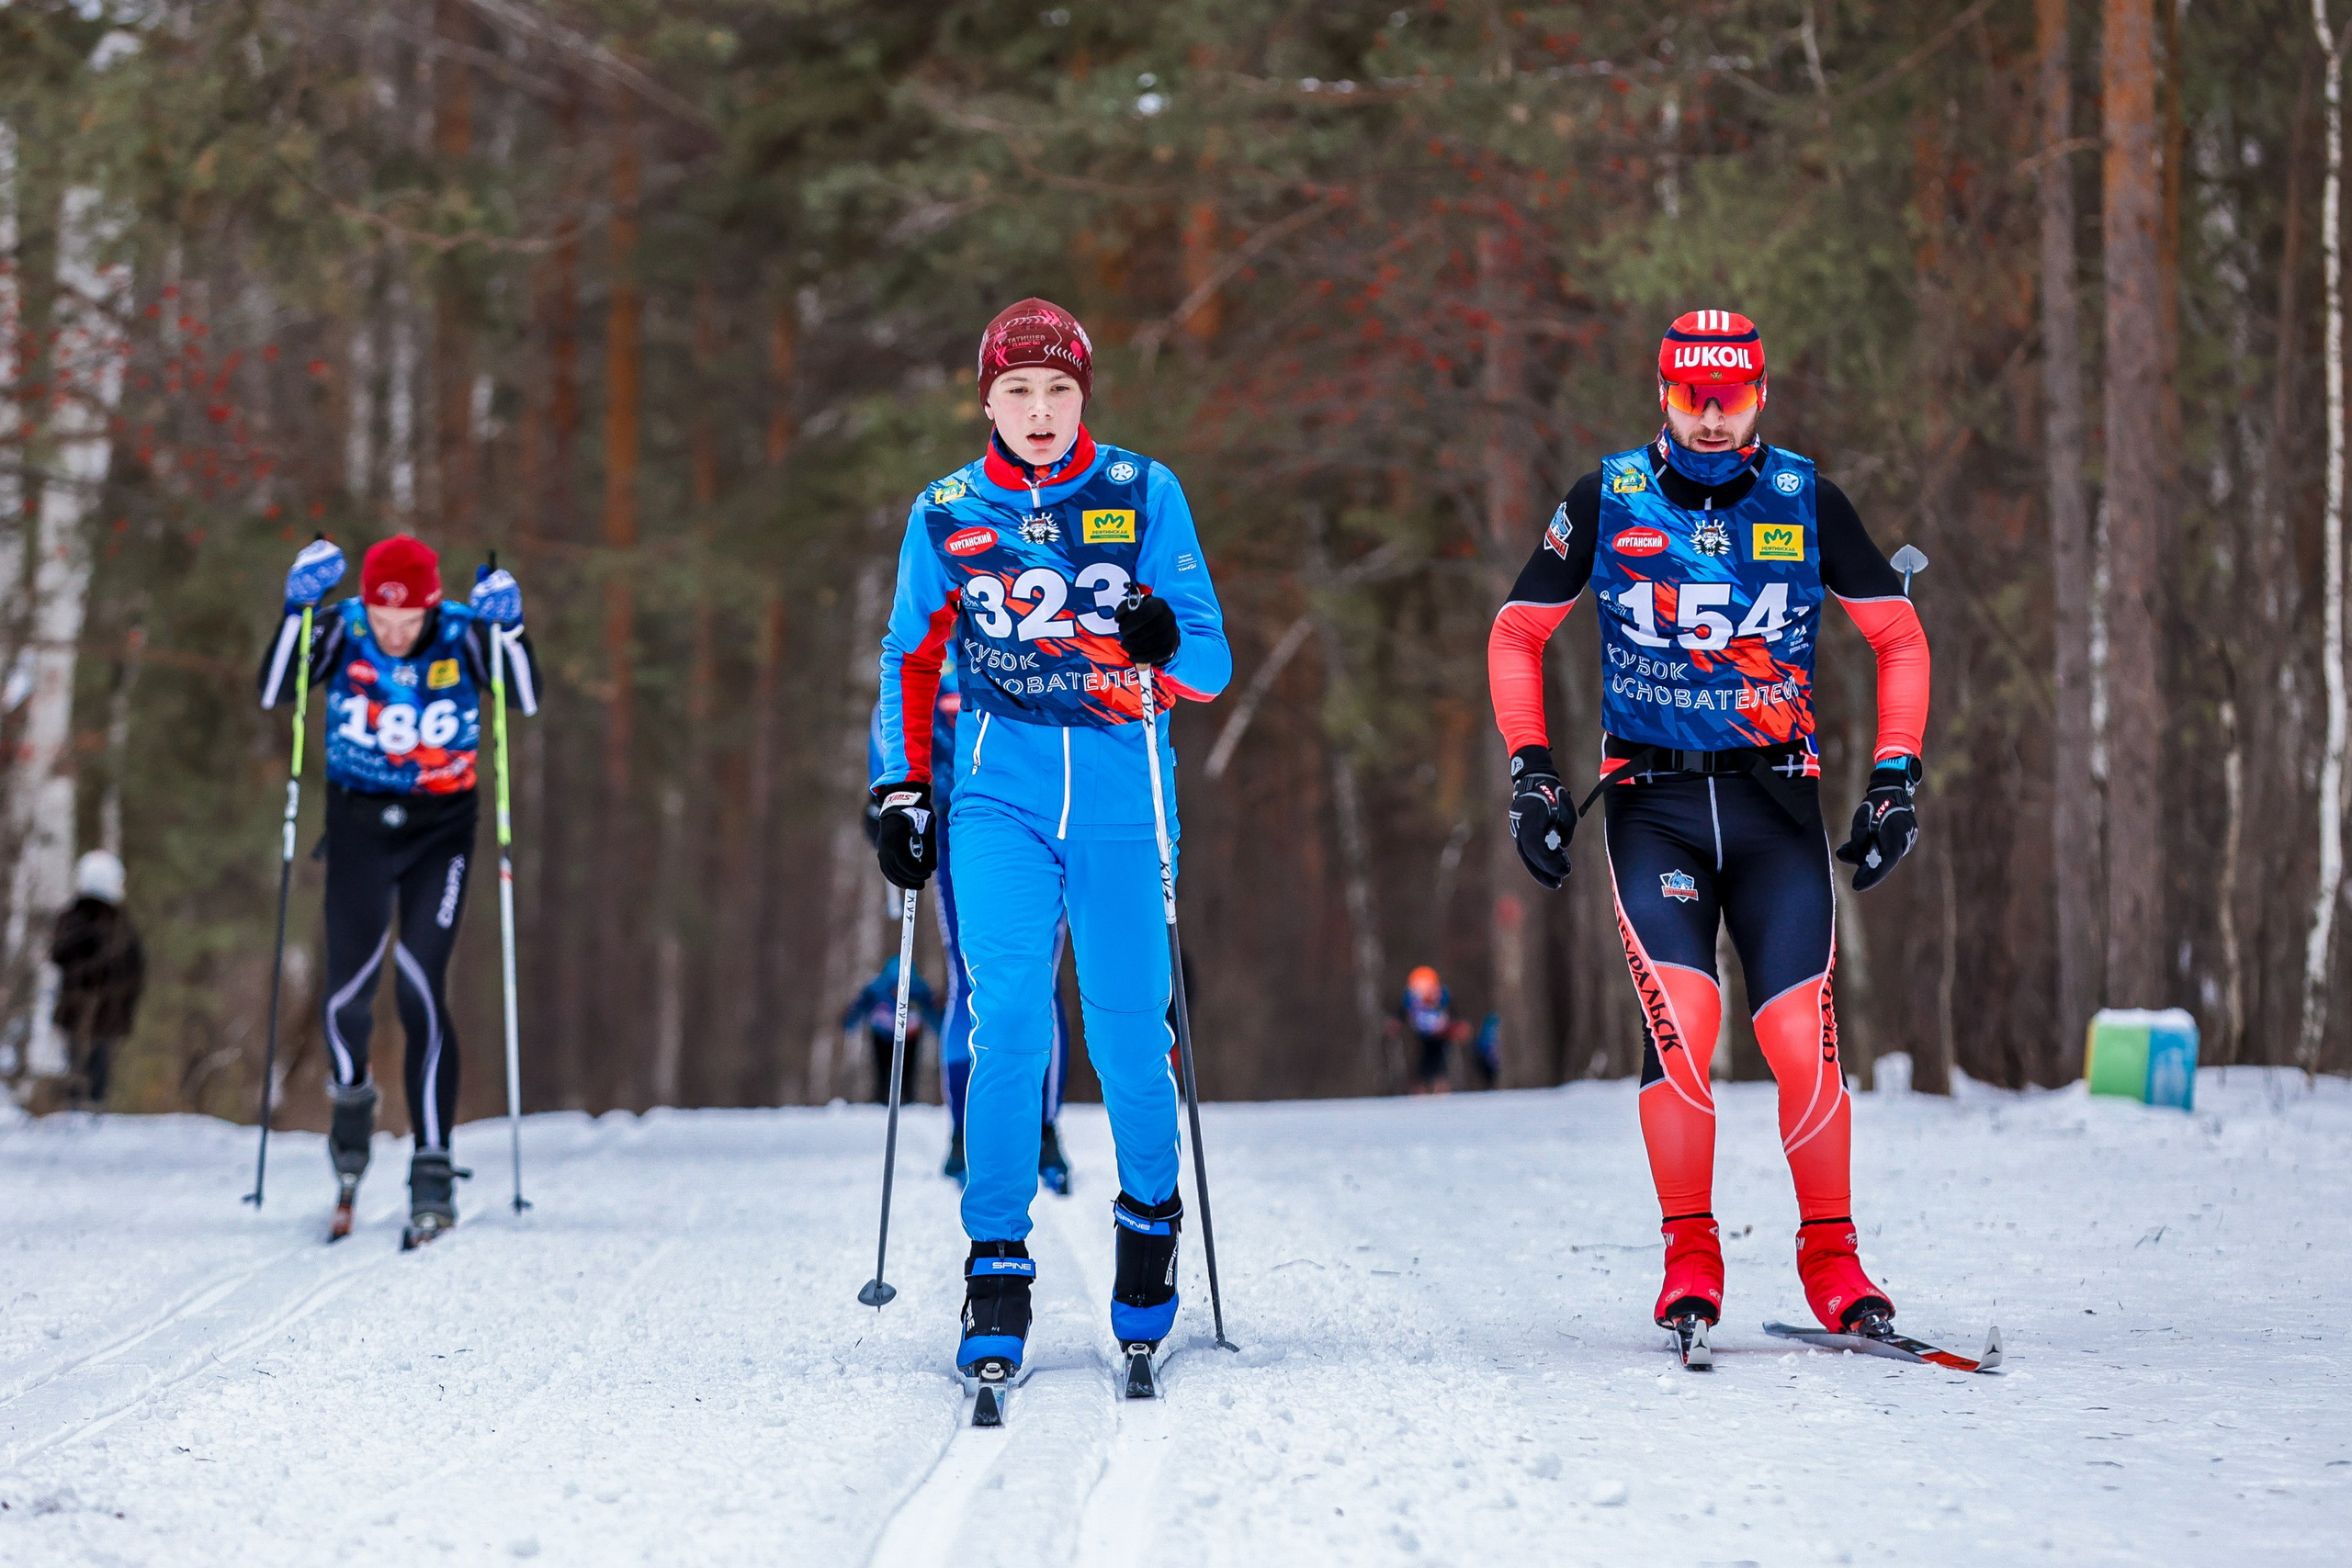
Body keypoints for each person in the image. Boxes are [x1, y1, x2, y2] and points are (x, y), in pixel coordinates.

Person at [1486, 310, 1929, 1341]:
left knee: (1797, 1038)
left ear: (1760, 395)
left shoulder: (1804, 497)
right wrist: (1531, 775)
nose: (1713, 419)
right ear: (1663, 395)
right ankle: (1690, 1252)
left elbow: (1898, 638)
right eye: (1694, 398)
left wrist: (1896, 779)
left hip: (1777, 801)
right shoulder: (1609, 495)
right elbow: (1517, 632)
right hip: (1654, 806)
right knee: (1684, 1024)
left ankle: (1834, 1260)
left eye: (1731, 398)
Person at [868, 298, 1230, 1387]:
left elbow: (1206, 663)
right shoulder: (945, 512)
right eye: (1017, 392)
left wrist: (1162, 643)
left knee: (1128, 1030)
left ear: (1084, 396)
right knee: (1008, 1010)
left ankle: (1150, 1227)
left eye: (1058, 391)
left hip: (1123, 795)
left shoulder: (1141, 492)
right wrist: (900, 788)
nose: (1038, 412)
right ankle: (996, 1263)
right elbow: (909, 662)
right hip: (997, 793)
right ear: (986, 399)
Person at [259, 535, 537, 1246]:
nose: (394, 632)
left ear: (431, 602)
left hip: (438, 834)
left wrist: (509, 624)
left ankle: (432, 1165)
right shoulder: (343, 626)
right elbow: (275, 689)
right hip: (356, 828)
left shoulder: (459, 633)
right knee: (346, 998)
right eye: (384, 621)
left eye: (407, 619)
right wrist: (297, 606)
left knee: (418, 986)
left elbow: (524, 696)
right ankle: (352, 1116)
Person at [865, 661, 1077, 1193]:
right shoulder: (1019, 634)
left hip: (974, 819)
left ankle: (981, 1134)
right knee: (1024, 979)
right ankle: (1027, 1133)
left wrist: (887, 807)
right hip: (1004, 822)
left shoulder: (929, 648)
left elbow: (886, 735)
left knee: (982, 979)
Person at [49, 849, 145, 1108]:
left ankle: (84, 1108)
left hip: (96, 1014)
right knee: (85, 1071)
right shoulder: (107, 924)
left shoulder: (83, 921)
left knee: (89, 1069)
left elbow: (133, 971)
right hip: (90, 1013)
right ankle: (84, 1108)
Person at [840, 953, 943, 1107]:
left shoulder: (883, 986)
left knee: (892, 1069)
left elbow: (860, 1006)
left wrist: (849, 1022)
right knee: (900, 1069)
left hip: (897, 1034)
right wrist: (942, 1031)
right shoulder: (915, 987)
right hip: (896, 1034)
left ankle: (889, 1098)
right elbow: (932, 1011)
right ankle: (900, 1098)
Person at [1398, 965, 1454, 1094]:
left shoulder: (1441, 994)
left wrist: (1456, 1024)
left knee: (1439, 1056)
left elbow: (1450, 1010)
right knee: (1423, 1057)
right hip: (1421, 1032)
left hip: (1440, 1031)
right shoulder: (1411, 996)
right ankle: (1420, 1086)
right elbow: (1403, 1011)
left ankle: (1439, 1085)